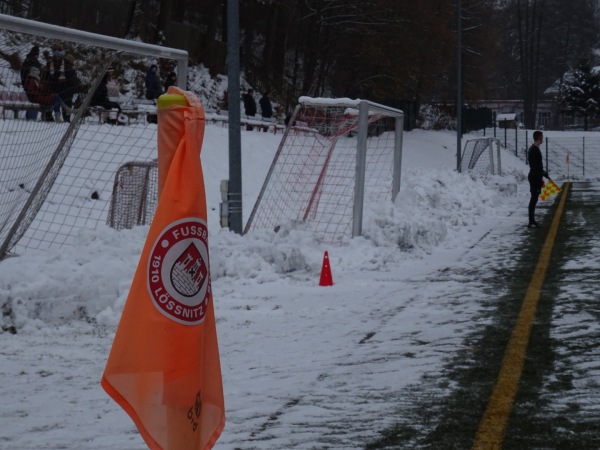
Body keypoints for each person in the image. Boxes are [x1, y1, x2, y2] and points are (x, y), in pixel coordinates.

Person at [527, 130, 549, 228]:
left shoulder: (534, 148)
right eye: (542, 137)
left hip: (536, 176)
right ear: (539, 137)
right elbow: (535, 166)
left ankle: (532, 220)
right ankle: (531, 220)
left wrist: (543, 173)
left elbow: (536, 165)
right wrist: (540, 174)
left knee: (534, 198)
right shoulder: (534, 149)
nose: (542, 139)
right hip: (535, 177)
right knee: (534, 198)